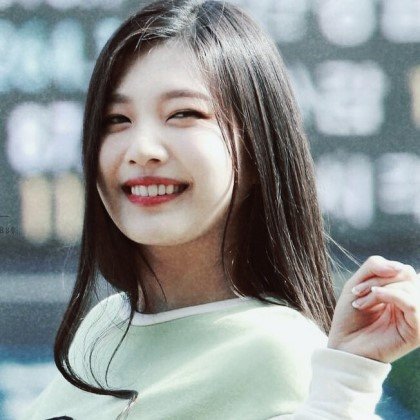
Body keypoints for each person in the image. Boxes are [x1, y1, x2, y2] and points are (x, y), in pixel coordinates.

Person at [21, 1, 420, 419]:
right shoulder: (103, 328)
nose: (142, 149)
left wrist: (344, 387)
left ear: (255, 151)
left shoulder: (277, 351)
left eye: (183, 114)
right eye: (116, 119)